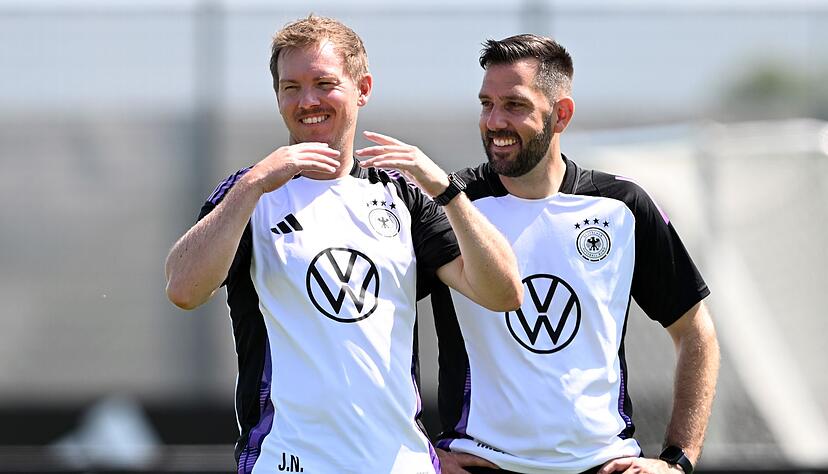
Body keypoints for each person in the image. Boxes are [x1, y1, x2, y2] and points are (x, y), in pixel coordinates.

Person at [164, 16, 522, 474]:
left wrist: (445, 189)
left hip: (399, 464)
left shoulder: (405, 196)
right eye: (290, 87)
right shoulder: (250, 194)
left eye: (324, 83)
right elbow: (183, 289)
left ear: (363, 88)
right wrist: (253, 184)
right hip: (286, 463)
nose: (307, 101)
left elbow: (502, 292)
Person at [431, 34, 720, 474]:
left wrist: (678, 461)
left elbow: (696, 332)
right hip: (478, 463)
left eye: (514, 105)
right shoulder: (449, 204)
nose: (493, 121)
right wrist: (422, 450)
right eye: (486, 104)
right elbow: (374, 330)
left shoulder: (623, 207)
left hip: (604, 465)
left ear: (561, 114)